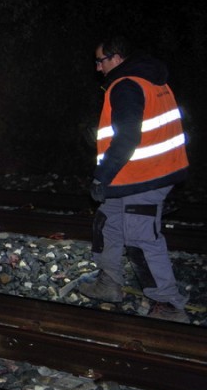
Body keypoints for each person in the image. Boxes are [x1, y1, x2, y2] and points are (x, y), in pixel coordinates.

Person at [79, 35, 190, 322]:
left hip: (144, 175)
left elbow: (128, 136)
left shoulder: (126, 85)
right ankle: (109, 284)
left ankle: (168, 305)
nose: (98, 68)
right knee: (108, 222)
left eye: (100, 61)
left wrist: (101, 176)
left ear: (115, 58)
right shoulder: (150, 80)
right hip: (140, 172)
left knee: (140, 237)